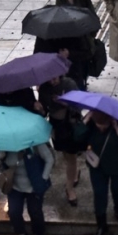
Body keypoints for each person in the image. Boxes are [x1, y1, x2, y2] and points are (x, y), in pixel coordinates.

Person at [76, 110, 118, 235]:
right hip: (98, 167)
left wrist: (117, 128)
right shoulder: (90, 123)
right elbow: (77, 138)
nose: (100, 128)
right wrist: (85, 121)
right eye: (98, 125)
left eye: (103, 125)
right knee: (99, 193)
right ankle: (101, 224)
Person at [0, 143, 55, 235]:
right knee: (14, 212)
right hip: (14, 186)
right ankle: (21, 234)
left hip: (34, 186)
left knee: (35, 211)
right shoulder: (5, 142)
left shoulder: (35, 143)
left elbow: (49, 159)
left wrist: (43, 179)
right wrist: (1, 155)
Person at [38, 76, 83, 206]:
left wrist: (65, 103)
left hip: (70, 124)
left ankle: (69, 189)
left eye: (54, 78)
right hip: (56, 126)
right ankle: (74, 173)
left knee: (71, 155)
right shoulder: (45, 89)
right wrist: (41, 109)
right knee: (64, 153)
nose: (52, 81)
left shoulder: (69, 84)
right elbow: (44, 111)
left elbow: (79, 106)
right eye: (50, 79)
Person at [55, 0, 95, 90]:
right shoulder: (60, 0)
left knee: (85, 62)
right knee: (76, 65)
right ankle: (79, 86)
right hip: (71, 36)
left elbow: (91, 12)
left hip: (84, 33)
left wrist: (91, 31)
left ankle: (84, 81)